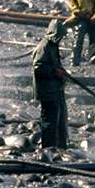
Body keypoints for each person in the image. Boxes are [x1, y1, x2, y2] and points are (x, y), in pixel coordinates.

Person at [32, 19, 69, 149]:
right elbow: (38, 67)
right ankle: (48, 148)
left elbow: (54, 64)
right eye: (60, 35)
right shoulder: (44, 46)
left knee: (59, 119)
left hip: (55, 89)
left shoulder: (53, 46)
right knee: (49, 121)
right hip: (47, 91)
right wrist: (54, 72)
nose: (61, 38)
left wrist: (62, 72)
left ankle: (59, 146)